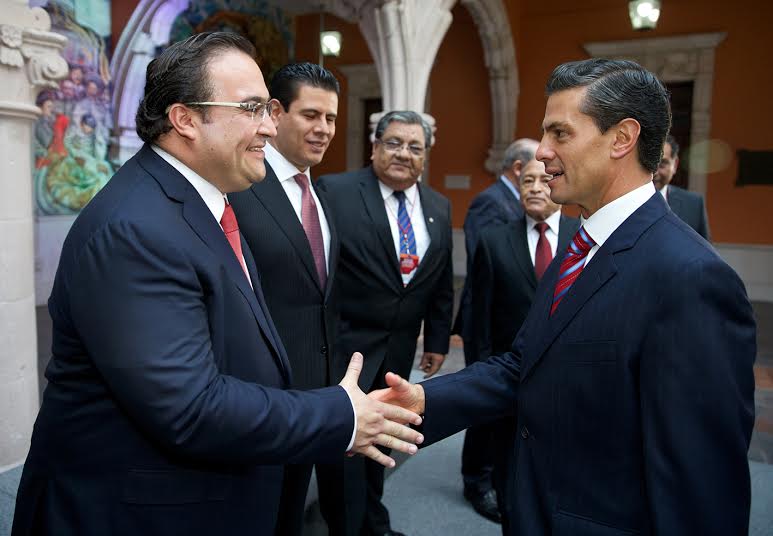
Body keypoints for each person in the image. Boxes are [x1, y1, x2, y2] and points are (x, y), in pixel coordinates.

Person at [12, 32, 423, 536]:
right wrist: (340, 416)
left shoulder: (206, 201)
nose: (270, 126)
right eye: (252, 108)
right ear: (185, 119)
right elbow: (190, 408)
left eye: (268, 109)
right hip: (137, 512)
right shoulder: (136, 230)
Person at [373, 58, 756, 535]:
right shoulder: (580, 247)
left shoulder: (692, 278)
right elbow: (525, 365)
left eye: (560, 133)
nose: (542, 153)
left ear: (622, 138)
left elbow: (701, 487)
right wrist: (423, 398)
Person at [317, 110, 454, 536]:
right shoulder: (335, 192)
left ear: (425, 156)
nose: (403, 153)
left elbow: (440, 280)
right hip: (346, 350)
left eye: (415, 147)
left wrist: (437, 339)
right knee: (345, 448)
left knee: (383, 439)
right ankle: (345, 527)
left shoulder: (438, 206)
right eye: (393, 142)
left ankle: (373, 522)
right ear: (374, 146)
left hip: (398, 352)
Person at [229, 62, 346, 535]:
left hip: (316, 396)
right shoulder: (239, 190)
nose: (324, 129)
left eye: (331, 118)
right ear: (275, 113)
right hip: (258, 399)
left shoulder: (322, 195)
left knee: (291, 512)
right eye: (311, 115)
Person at [470, 154, 579, 532]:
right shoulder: (494, 241)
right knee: (509, 469)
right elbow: (479, 317)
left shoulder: (584, 238)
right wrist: (480, 373)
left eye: (543, 180)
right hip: (508, 379)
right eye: (527, 181)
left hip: (567, 381)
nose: (534, 188)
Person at [453, 138, 538, 523]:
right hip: (490, 323)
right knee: (484, 408)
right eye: (532, 173)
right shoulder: (491, 202)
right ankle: (477, 480)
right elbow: (483, 265)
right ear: (519, 168)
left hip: (514, 325)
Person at [653, 135, 711, 240]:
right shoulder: (623, 198)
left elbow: (704, 248)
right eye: (650, 164)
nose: (655, 172)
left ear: (675, 165)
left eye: (662, 164)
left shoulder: (693, 204)